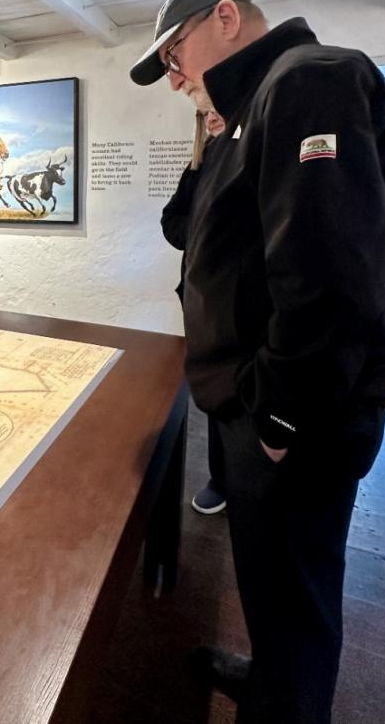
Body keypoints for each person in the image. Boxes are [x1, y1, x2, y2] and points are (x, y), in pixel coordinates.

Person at [130, 0, 385, 722]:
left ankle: (288, 706)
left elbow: (329, 277)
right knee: (268, 580)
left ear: (226, 17)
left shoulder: (309, 81)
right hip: (252, 403)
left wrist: (281, 421)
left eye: (174, 53)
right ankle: (269, 680)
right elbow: (179, 229)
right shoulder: (248, 110)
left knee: (297, 587)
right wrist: (210, 135)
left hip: (295, 415)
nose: (173, 76)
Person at [161, 108, 227, 515]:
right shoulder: (200, 164)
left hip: (246, 302)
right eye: (204, 114)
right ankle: (222, 478)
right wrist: (206, 235)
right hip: (204, 298)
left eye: (217, 110)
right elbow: (172, 220)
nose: (212, 118)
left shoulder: (254, 152)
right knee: (218, 392)